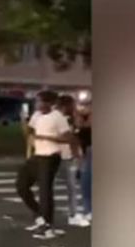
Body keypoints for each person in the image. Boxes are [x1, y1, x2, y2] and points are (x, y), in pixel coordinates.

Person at [17, 91, 76, 239]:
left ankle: (47, 226)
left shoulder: (58, 118)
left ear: (49, 103)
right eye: (36, 102)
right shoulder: (37, 116)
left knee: (45, 192)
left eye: (39, 102)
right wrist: (23, 122)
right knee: (21, 185)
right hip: (37, 156)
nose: (37, 105)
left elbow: (68, 139)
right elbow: (29, 133)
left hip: (51, 157)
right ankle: (40, 216)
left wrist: (45, 137)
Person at [56, 94, 87, 227]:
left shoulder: (69, 119)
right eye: (72, 105)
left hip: (61, 155)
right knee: (72, 187)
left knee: (71, 187)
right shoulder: (61, 120)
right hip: (65, 156)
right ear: (66, 106)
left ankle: (71, 213)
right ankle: (73, 214)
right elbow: (71, 139)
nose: (75, 108)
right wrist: (78, 156)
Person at [74, 101, 92, 225]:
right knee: (85, 184)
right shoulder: (79, 121)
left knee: (87, 183)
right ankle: (88, 211)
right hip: (85, 153)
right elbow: (79, 126)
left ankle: (89, 211)